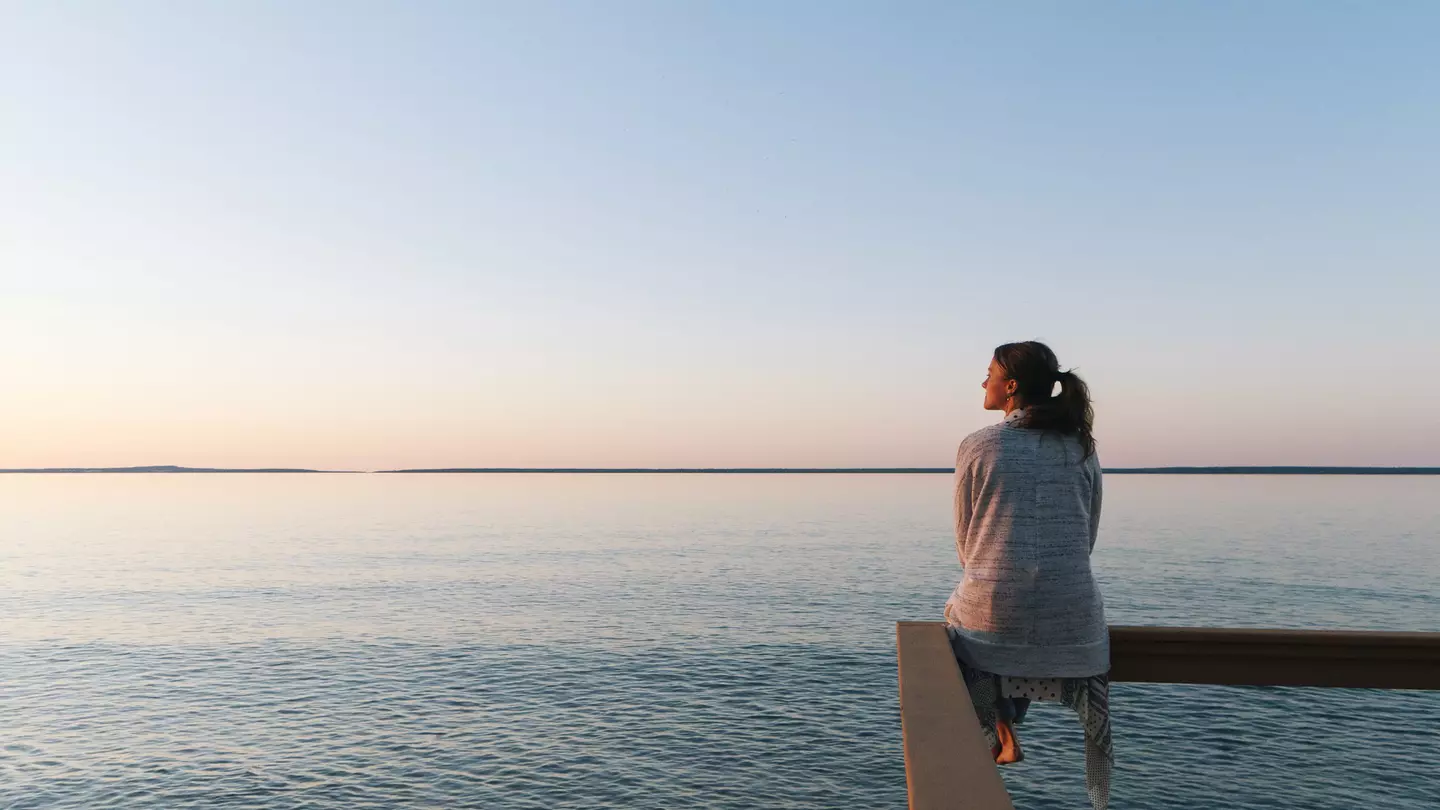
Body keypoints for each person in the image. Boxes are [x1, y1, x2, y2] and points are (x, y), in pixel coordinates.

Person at [945, 341, 1112, 810]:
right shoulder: (1081, 446)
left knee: (967, 624)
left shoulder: (978, 445)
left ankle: (1001, 725)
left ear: (1011, 387)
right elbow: (1088, 531)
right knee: (1016, 625)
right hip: (1076, 619)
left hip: (995, 614)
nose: (983, 382)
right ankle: (1008, 722)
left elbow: (966, 539)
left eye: (989, 373)